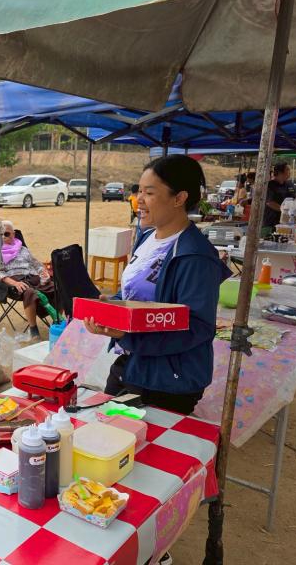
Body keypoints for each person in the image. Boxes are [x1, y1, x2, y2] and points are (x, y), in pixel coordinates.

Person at [84, 155, 231, 415]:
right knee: (106, 432)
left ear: (179, 198)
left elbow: (197, 327)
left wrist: (126, 335)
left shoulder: (196, 256)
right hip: (132, 364)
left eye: (149, 193)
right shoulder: (147, 236)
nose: (139, 199)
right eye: (139, 191)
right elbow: (136, 292)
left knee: (135, 447)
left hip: (167, 380)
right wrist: (114, 306)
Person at [0, 220, 54, 339]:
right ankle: (33, 328)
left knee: (57, 288)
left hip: (32, 277)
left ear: (13, 234)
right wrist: (14, 283)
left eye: (6, 234)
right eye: (0, 234)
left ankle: (57, 322)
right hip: (13, 282)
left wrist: (43, 272)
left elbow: (36, 264)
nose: (3, 237)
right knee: (30, 292)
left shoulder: (22, 249)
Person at [261, 162, 296, 236]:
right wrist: (284, 211)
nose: (289, 172)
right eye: (287, 170)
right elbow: (269, 202)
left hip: (287, 224)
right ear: (280, 172)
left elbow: (294, 200)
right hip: (270, 223)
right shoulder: (270, 186)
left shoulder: (290, 185)